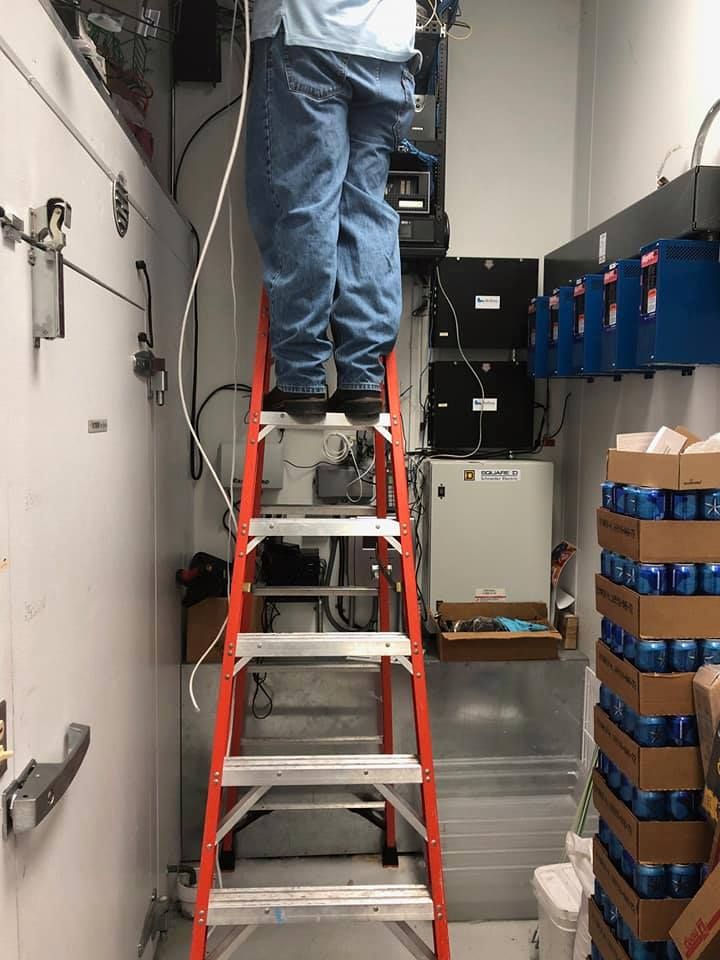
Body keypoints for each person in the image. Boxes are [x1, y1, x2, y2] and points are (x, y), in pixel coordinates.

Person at [246, 0, 418, 420]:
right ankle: (361, 380)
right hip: (388, 52)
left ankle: (302, 381)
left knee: (306, 205)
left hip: (309, 32)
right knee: (366, 210)